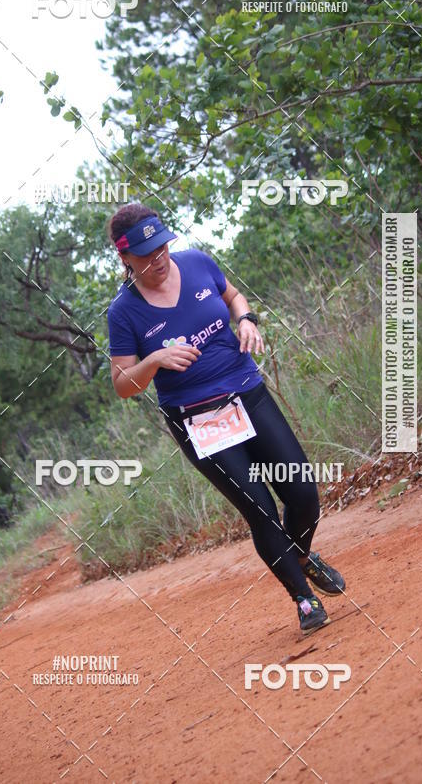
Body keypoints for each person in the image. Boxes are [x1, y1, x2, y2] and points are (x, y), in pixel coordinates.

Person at [106, 202, 346, 635]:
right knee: (261, 509)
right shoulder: (124, 311)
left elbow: (232, 295)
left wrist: (247, 319)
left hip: (247, 392)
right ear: (125, 257)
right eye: (145, 255)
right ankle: (304, 599)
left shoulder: (197, 262)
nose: (158, 259)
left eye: (161, 247)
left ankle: (302, 557)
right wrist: (155, 359)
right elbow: (124, 383)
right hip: (198, 418)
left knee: (303, 493)